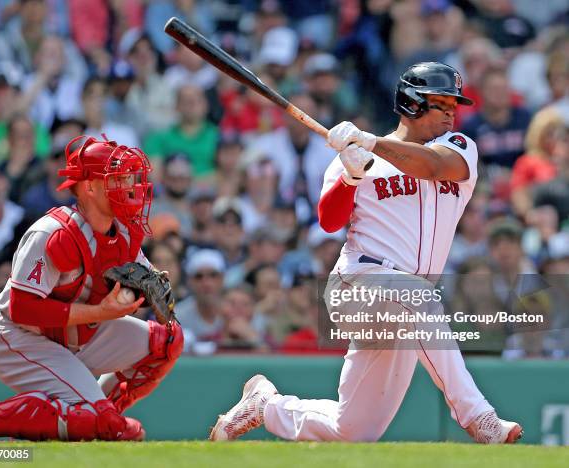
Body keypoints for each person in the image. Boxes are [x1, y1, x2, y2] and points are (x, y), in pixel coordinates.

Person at [210, 62, 522, 444]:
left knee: (353, 431)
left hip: (411, 307)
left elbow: (434, 166)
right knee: (418, 296)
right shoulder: (357, 159)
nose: (451, 112)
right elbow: (327, 221)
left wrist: (373, 143)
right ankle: (481, 419)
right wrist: (349, 177)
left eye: (454, 104)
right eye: (441, 103)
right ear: (412, 103)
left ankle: (266, 406)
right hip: (359, 284)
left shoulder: (459, 148)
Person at [0, 136, 183, 441]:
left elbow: (136, 286)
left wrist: (146, 290)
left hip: (79, 336)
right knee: (103, 423)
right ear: (90, 187)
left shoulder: (126, 231)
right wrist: (101, 311)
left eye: (129, 178)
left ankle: (100, 418)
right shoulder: (52, 234)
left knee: (166, 341)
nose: (130, 187)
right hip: (19, 340)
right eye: (118, 179)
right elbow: (23, 310)